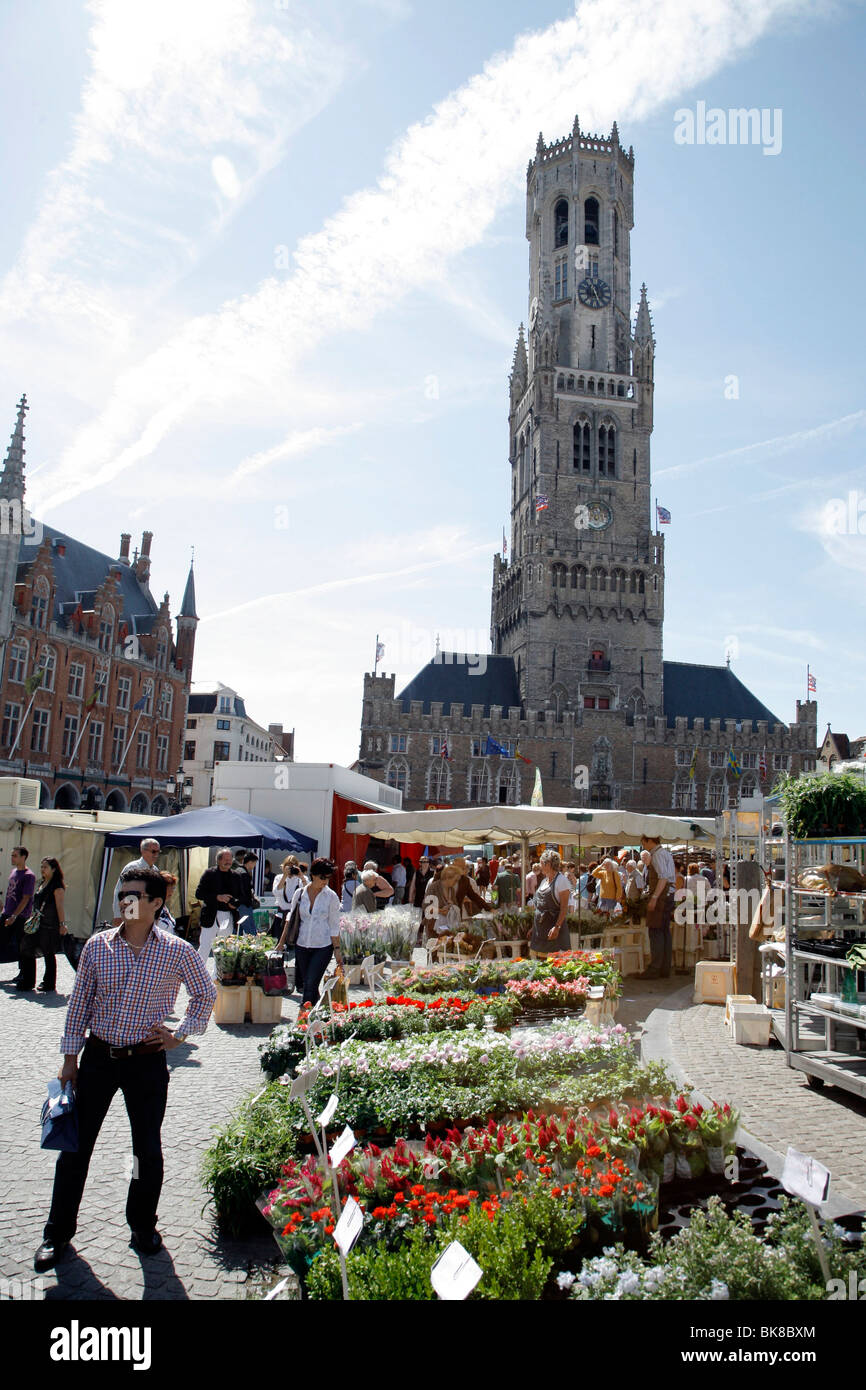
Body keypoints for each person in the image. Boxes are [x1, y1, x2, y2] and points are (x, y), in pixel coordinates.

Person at [33, 864, 216, 1273]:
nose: (124, 901)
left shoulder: (177, 951)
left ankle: (142, 1225)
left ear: (156, 903)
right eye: (122, 894)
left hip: (146, 1063)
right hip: (98, 1058)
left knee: (146, 1150)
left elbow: (205, 994)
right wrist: (68, 1061)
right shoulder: (99, 946)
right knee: (75, 1147)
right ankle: (57, 1232)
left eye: (133, 896)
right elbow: (78, 1005)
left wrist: (179, 1035)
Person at [285, 858, 343, 1008]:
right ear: (313, 875)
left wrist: (337, 951)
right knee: (307, 984)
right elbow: (291, 919)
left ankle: (303, 1018)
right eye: (322, 877)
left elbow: (334, 925)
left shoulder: (331, 897)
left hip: (323, 946)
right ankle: (318, 1016)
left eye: (328, 878)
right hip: (302, 944)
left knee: (310, 983)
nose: (325, 881)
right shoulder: (300, 893)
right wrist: (281, 943)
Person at [17, 857, 67, 993]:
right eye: (41, 867)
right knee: (26, 947)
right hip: (37, 923)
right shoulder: (42, 883)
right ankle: (27, 980)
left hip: (50, 924)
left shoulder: (57, 886)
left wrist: (62, 924)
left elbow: (60, 906)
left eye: (45, 867)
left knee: (48, 953)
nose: (42, 869)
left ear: (54, 869)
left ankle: (49, 983)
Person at [194, 848, 249, 965]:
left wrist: (234, 903)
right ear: (218, 860)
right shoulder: (209, 874)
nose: (228, 862)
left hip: (228, 915)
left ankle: (218, 976)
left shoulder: (236, 876)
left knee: (224, 948)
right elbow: (199, 894)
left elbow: (242, 896)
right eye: (225, 859)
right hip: (210, 915)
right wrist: (217, 897)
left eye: (230, 859)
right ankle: (198, 974)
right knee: (205, 946)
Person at [638, 835, 676, 979]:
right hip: (667, 896)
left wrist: (654, 898)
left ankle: (655, 968)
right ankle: (664, 969)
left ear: (650, 841)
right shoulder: (666, 853)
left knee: (656, 931)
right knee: (664, 931)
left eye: (643, 842)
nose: (643, 846)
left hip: (662, 897)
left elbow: (663, 877)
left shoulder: (658, 855)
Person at [529, 849, 571, 957]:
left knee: (555, 964)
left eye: (541, 863)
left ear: (547, 864)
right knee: (540, 965)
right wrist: (534, 927)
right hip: (541, 930)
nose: (540, 866)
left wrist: (557, 927)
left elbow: (564, 908)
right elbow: (540, 907)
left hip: (553, 931)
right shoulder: (544, 881)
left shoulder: (562, 881)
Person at [1, 844, 37, 970]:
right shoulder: (13, 872)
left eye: (15, 856)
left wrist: (14, 916)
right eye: (12, 855)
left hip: (20, 916)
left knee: (22, 946)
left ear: (23, 857)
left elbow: (26, 898)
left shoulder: (29, 875)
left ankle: (23, 972)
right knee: (2, 941)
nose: (12, 858)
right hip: (7, 913)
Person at [112, 839, 161, 923]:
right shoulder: (132, 867)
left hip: (147, 912)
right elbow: (119, 890)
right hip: (131, 909)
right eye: (153, 852)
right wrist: (118, 915)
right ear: (143, 851)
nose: (156, 855)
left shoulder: (155, 870)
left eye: (158, 852)